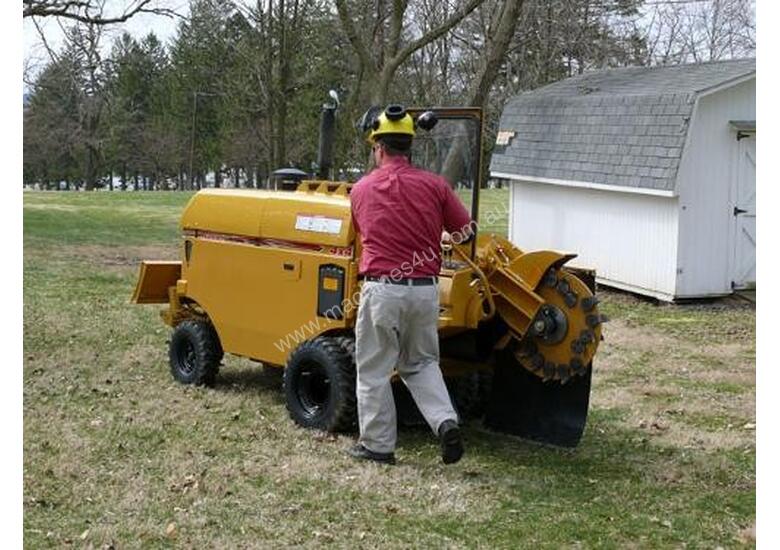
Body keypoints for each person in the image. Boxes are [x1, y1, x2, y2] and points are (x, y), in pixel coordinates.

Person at [348, 105, 474, 466]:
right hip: (424, 290)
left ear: (378, 147)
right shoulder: (436, 186)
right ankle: (445, 422)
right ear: (410, 146)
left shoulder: (361, 190)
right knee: (421, 363)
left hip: (382, 289)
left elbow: (361, 232)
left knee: (374, 369)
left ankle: (377, 446)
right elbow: (466, 232)